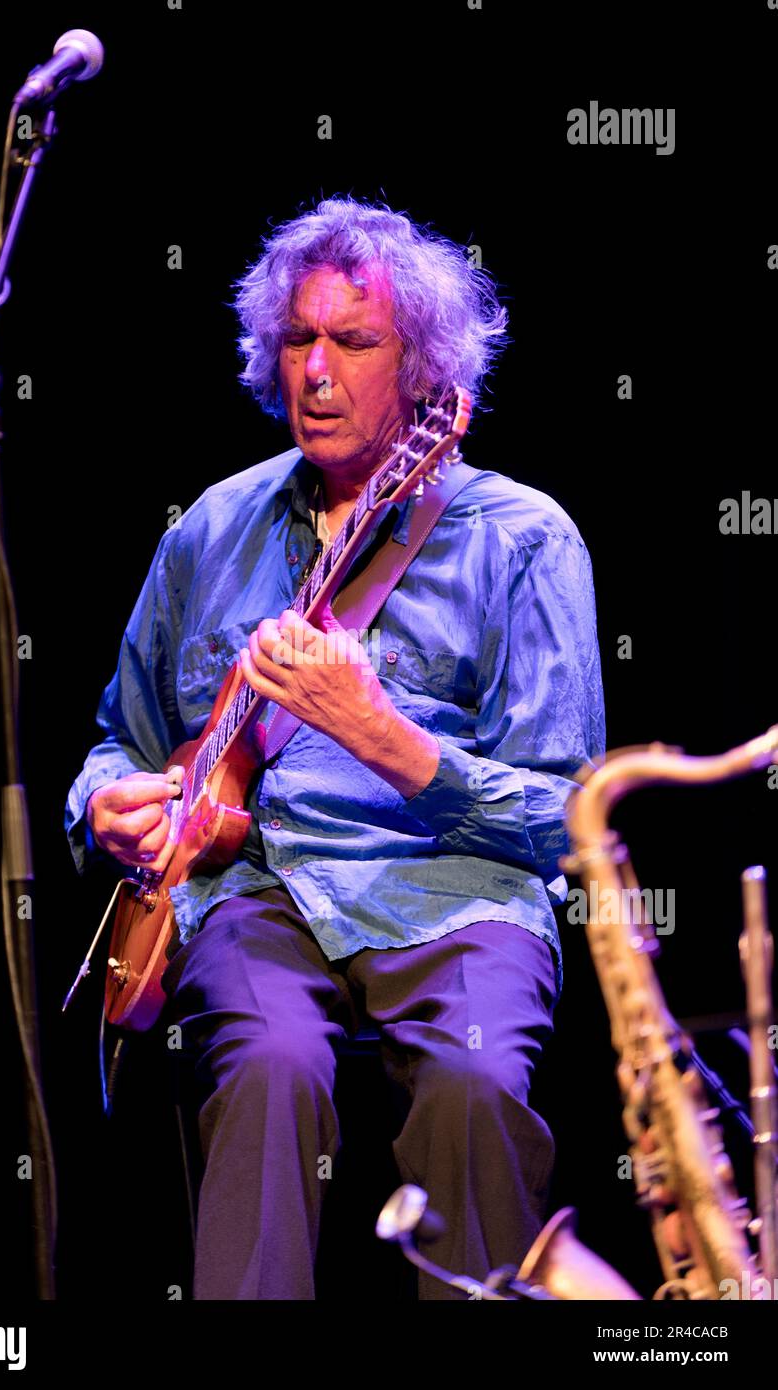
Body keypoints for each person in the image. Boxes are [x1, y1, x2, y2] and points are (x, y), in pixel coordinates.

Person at [64, 197, 606, 1300]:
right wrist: (107, 800)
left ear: (422, 367)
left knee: (471, 1080)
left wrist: (389, 740)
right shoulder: (211, 528)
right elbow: (119, 736)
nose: (317, 370)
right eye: (298, 339)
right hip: (260, 891)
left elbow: (566, 818)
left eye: (353, 342)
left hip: (457, 895)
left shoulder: (524, 537)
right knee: (269, 1067)